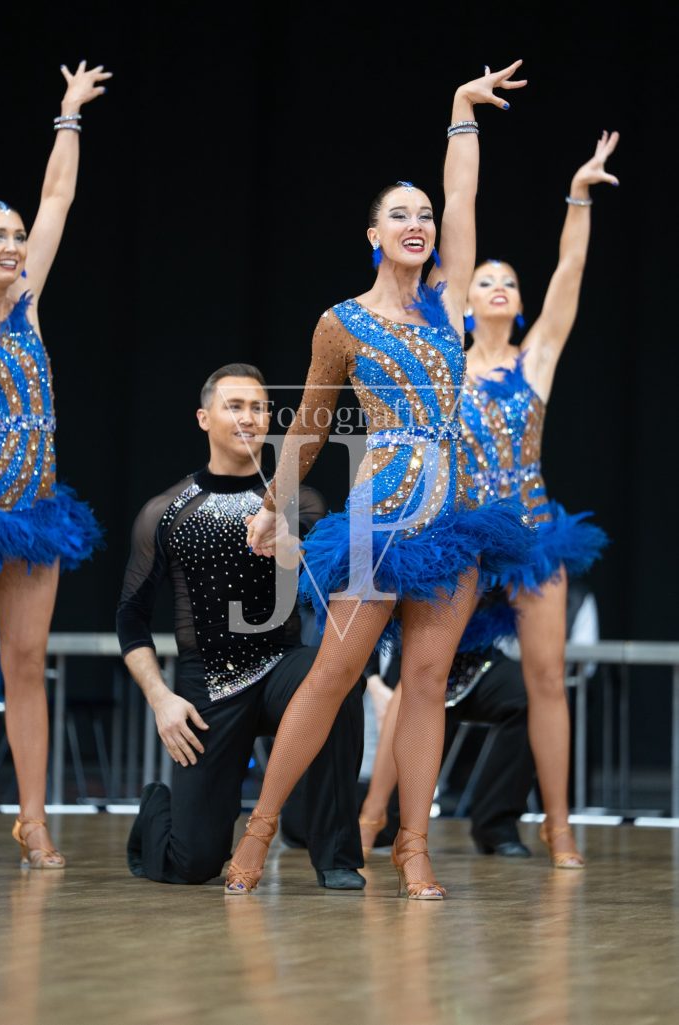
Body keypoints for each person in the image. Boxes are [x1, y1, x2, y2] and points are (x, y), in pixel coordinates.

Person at [226, 62, 530, 901]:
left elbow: (462, 194)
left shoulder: (447, 299)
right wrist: (273, 505)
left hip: (452, 518)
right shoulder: (343, 322)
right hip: (379, 517)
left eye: (423, 215)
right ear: (372, 233)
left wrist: (460, 111)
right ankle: (259, 828)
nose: (419, 223)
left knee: (426, 682)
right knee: (333, 674)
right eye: (401, 214)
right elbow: (309, 424)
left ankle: (412, 845)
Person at [117, 364, 366, 889]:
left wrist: (298, 552)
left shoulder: (300, 502)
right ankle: (157, 807)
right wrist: (161, 699)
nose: (248, 418)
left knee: (338, 678)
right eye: (234, 406)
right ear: (204, 418)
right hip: (207, 685)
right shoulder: (165, 512)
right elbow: (131, 619)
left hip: (281, 667)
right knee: (193, 864)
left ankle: (337, 857)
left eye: (258, 408)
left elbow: (331, 587)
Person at [458, 131, 619, 867]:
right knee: (421, 678)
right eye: (484, 281)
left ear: (519, 306)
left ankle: (557, 824)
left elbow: (571, 270)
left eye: (508, 283)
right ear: (464, 305)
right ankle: (380, 821)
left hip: (529, 534)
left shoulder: (536, 361)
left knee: (546, 678)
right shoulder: (445, 365)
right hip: (465, 534)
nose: (498, 287)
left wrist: (578, 196)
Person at [0, 62, 109, 869]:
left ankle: (33, 818)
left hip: (33, 513)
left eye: (13, 236)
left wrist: (68, 114)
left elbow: (57, 198)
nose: (11, 246)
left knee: (27, 659)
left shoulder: (27, 305)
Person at [359, 647, 535, 858]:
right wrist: (373, 681)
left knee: (530, 693)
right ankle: (371, 815)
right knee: (392, 826)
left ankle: (496, 825)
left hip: (477, 660)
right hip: (416, 668)